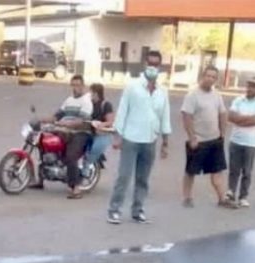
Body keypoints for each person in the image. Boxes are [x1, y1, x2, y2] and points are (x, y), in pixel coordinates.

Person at [107, 49, 171, 224]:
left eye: (156, 65)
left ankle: (138, 210)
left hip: (150, 140)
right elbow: (122, 112)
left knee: (143, 179)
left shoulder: (162, 92)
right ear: (144, 64)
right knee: (124, 176)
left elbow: (164, 116)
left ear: (160, 67)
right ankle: (114, 209)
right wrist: (117, 135)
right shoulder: (133, 87)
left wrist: (165, 142)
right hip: (131, 138)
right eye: (150, 64)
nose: (153, 67)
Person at [180, 66, 231, 209]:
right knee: (191, 171)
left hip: (214, 139)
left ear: (216, 79)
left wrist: (222, 133)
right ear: (202, 76)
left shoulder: (217, 95)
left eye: (213, 77)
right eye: (208, 76)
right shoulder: (193, 95)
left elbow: (222, 113)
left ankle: (222, 199)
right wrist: (192, 137)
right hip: (198, 140)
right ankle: (187, 198)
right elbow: (187, 116)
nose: (210, 79)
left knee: (217, 171)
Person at [47, 74, 93, 199]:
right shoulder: (68, 100)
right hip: (65, 130)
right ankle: (41, 178)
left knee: (71, 155)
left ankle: (76, 188)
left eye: (78, 85)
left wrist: (66, 123)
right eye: (73, 85)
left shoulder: (86, 101)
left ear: (83, 86)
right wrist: (43, 119)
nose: (75, 88)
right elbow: (58, 114)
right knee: (44, 141)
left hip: (80, 133)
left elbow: (81, 121)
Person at [227, 79, 255, 209]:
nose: (251, 89)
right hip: (235, 139)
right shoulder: (238, 100)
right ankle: (231, 192)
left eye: (254, 87)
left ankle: (243, 196)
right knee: (234, 169)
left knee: (247, 170)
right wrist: (246, 119)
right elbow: (231, 116)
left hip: (251, 142)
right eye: (249, 86)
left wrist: (240, 120)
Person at [87, 82, 115, 166]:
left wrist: (101, 124)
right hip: (90, 131)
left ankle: (88, 167)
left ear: (96, 93)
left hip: (101, 134)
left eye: (91, 92)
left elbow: (110, 122)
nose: (89, 94)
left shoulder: (106, 105)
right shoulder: (89, 104)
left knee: (93, 151)